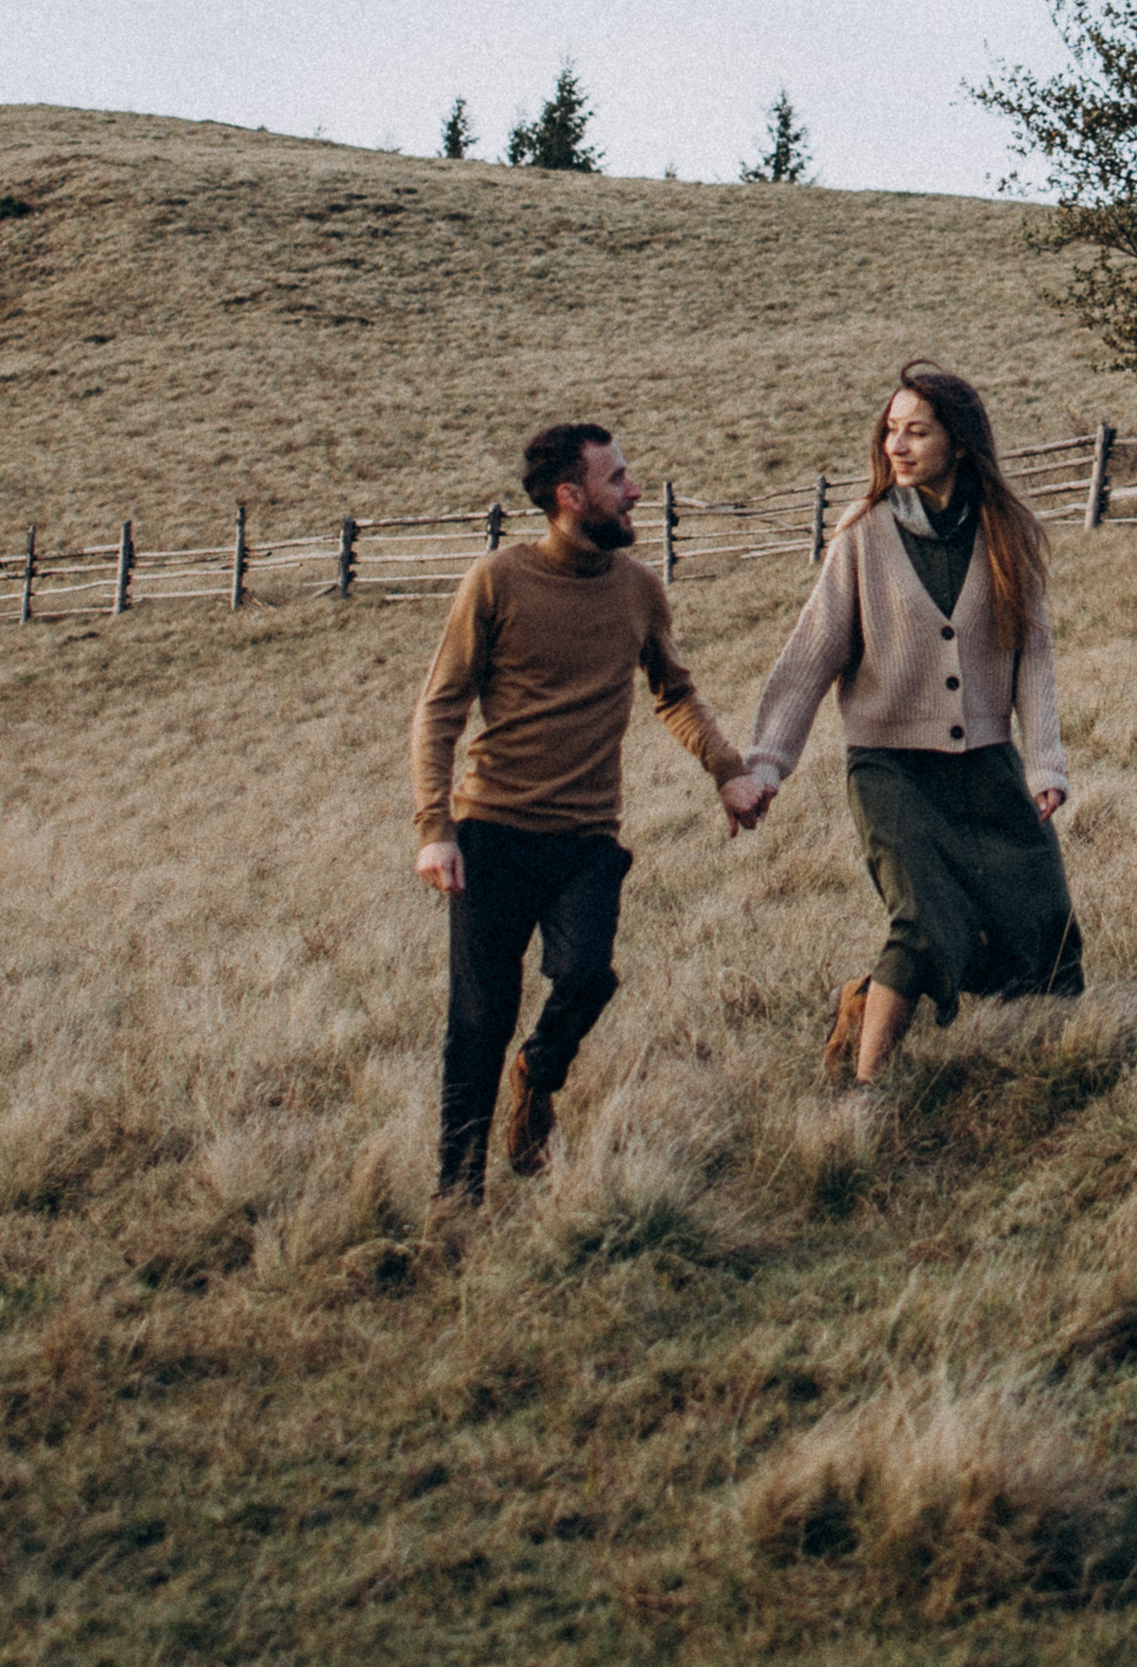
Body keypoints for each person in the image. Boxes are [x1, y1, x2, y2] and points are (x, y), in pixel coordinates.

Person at [411, 420, 768, 1204]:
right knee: (479, 1017)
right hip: (491, 833)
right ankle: (456, 1192)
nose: (634, 491)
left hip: (585, 838)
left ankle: (538, 1073)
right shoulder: (497, 581)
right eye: (617, 479)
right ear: (571, 497)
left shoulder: (638, 590)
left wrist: (726, 771)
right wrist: (434, 829)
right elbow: (440, 709)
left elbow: (673, 692)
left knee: (586, 977)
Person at [740, 359, 1081, 1088]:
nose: (896, 445)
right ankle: (869, 1090)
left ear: (958, 442)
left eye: (916, 432)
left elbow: (1034, 656)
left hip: (986, 763)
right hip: (890, 766)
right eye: (890, 431)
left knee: (1038, 914)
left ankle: (1033, 1068)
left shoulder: (1005, 533)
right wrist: (766, 763)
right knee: (925, 921)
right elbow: (811, 655)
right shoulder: (862, 534)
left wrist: (1044, 762)